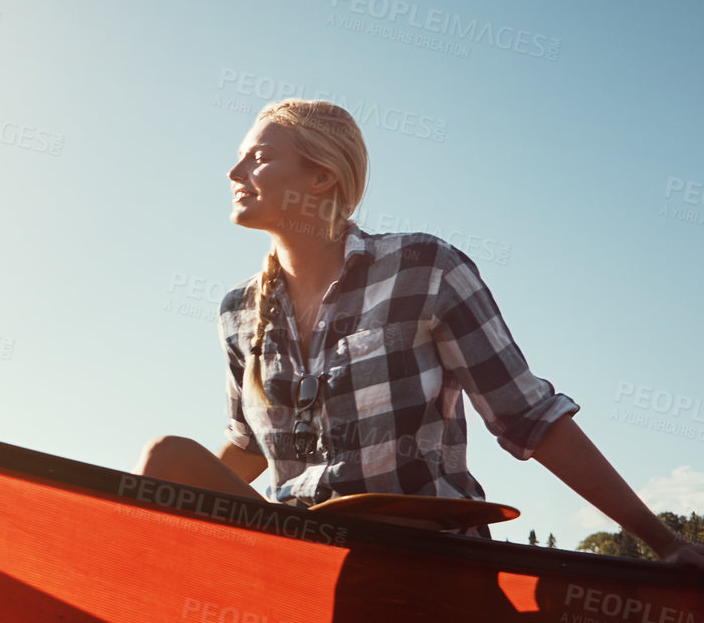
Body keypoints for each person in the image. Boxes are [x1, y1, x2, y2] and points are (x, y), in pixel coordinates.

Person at [136, 98, 704, 570]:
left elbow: (529, 417)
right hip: (300, 552)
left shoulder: (423, 267)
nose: (234, 175)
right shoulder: (238, 310)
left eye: (257, 158)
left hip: (417, 551)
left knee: (382, 527)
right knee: (168, 461)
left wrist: (666, 542)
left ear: (321, 175)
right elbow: (247, 446)